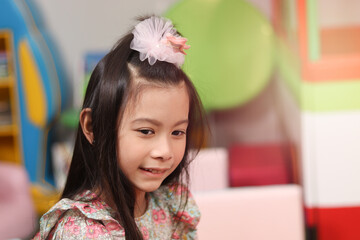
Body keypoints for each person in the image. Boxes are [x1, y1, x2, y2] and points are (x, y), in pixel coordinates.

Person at [33, 16, 207, 240]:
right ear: (92, 126)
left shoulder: (170, 205)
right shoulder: (83, 231)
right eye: (146, 131)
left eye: (177, 132)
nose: (165, 151)